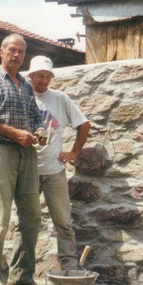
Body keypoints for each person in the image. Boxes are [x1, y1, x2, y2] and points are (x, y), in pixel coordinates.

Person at [0, 34, 48, 285]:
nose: (16, 56)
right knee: (0, 218)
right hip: (1, 150)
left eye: (20, 52)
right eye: (12, 50)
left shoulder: (26, 86)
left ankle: (21, 279)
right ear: (2, 52)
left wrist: (38, 130)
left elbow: (35, 116)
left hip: (27, 154)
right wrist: (15, 133)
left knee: (32, 217)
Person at [28, 55, 91, 270]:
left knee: (63, 222)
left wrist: (74, 152)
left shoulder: (60, 98)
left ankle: (70, 267)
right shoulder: (22, 97)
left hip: (54, 171)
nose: (43, 81)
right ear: (31, 75)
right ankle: (24, 272)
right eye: (39, 76)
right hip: (28, 172)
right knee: (27, 223)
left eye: (47, 76)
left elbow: (83, 124)